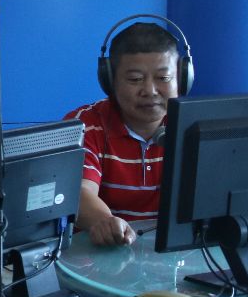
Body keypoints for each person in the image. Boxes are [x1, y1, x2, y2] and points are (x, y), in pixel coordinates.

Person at [66, 20, 187, 247]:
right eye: (135, 79)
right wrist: (106, 222)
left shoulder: (193, 126)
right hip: (99, 255)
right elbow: (79, 191)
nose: (150, 91)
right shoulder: (84, 125)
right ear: (109, 81)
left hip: (174, 256)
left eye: (163, 78)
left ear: (182, 78)